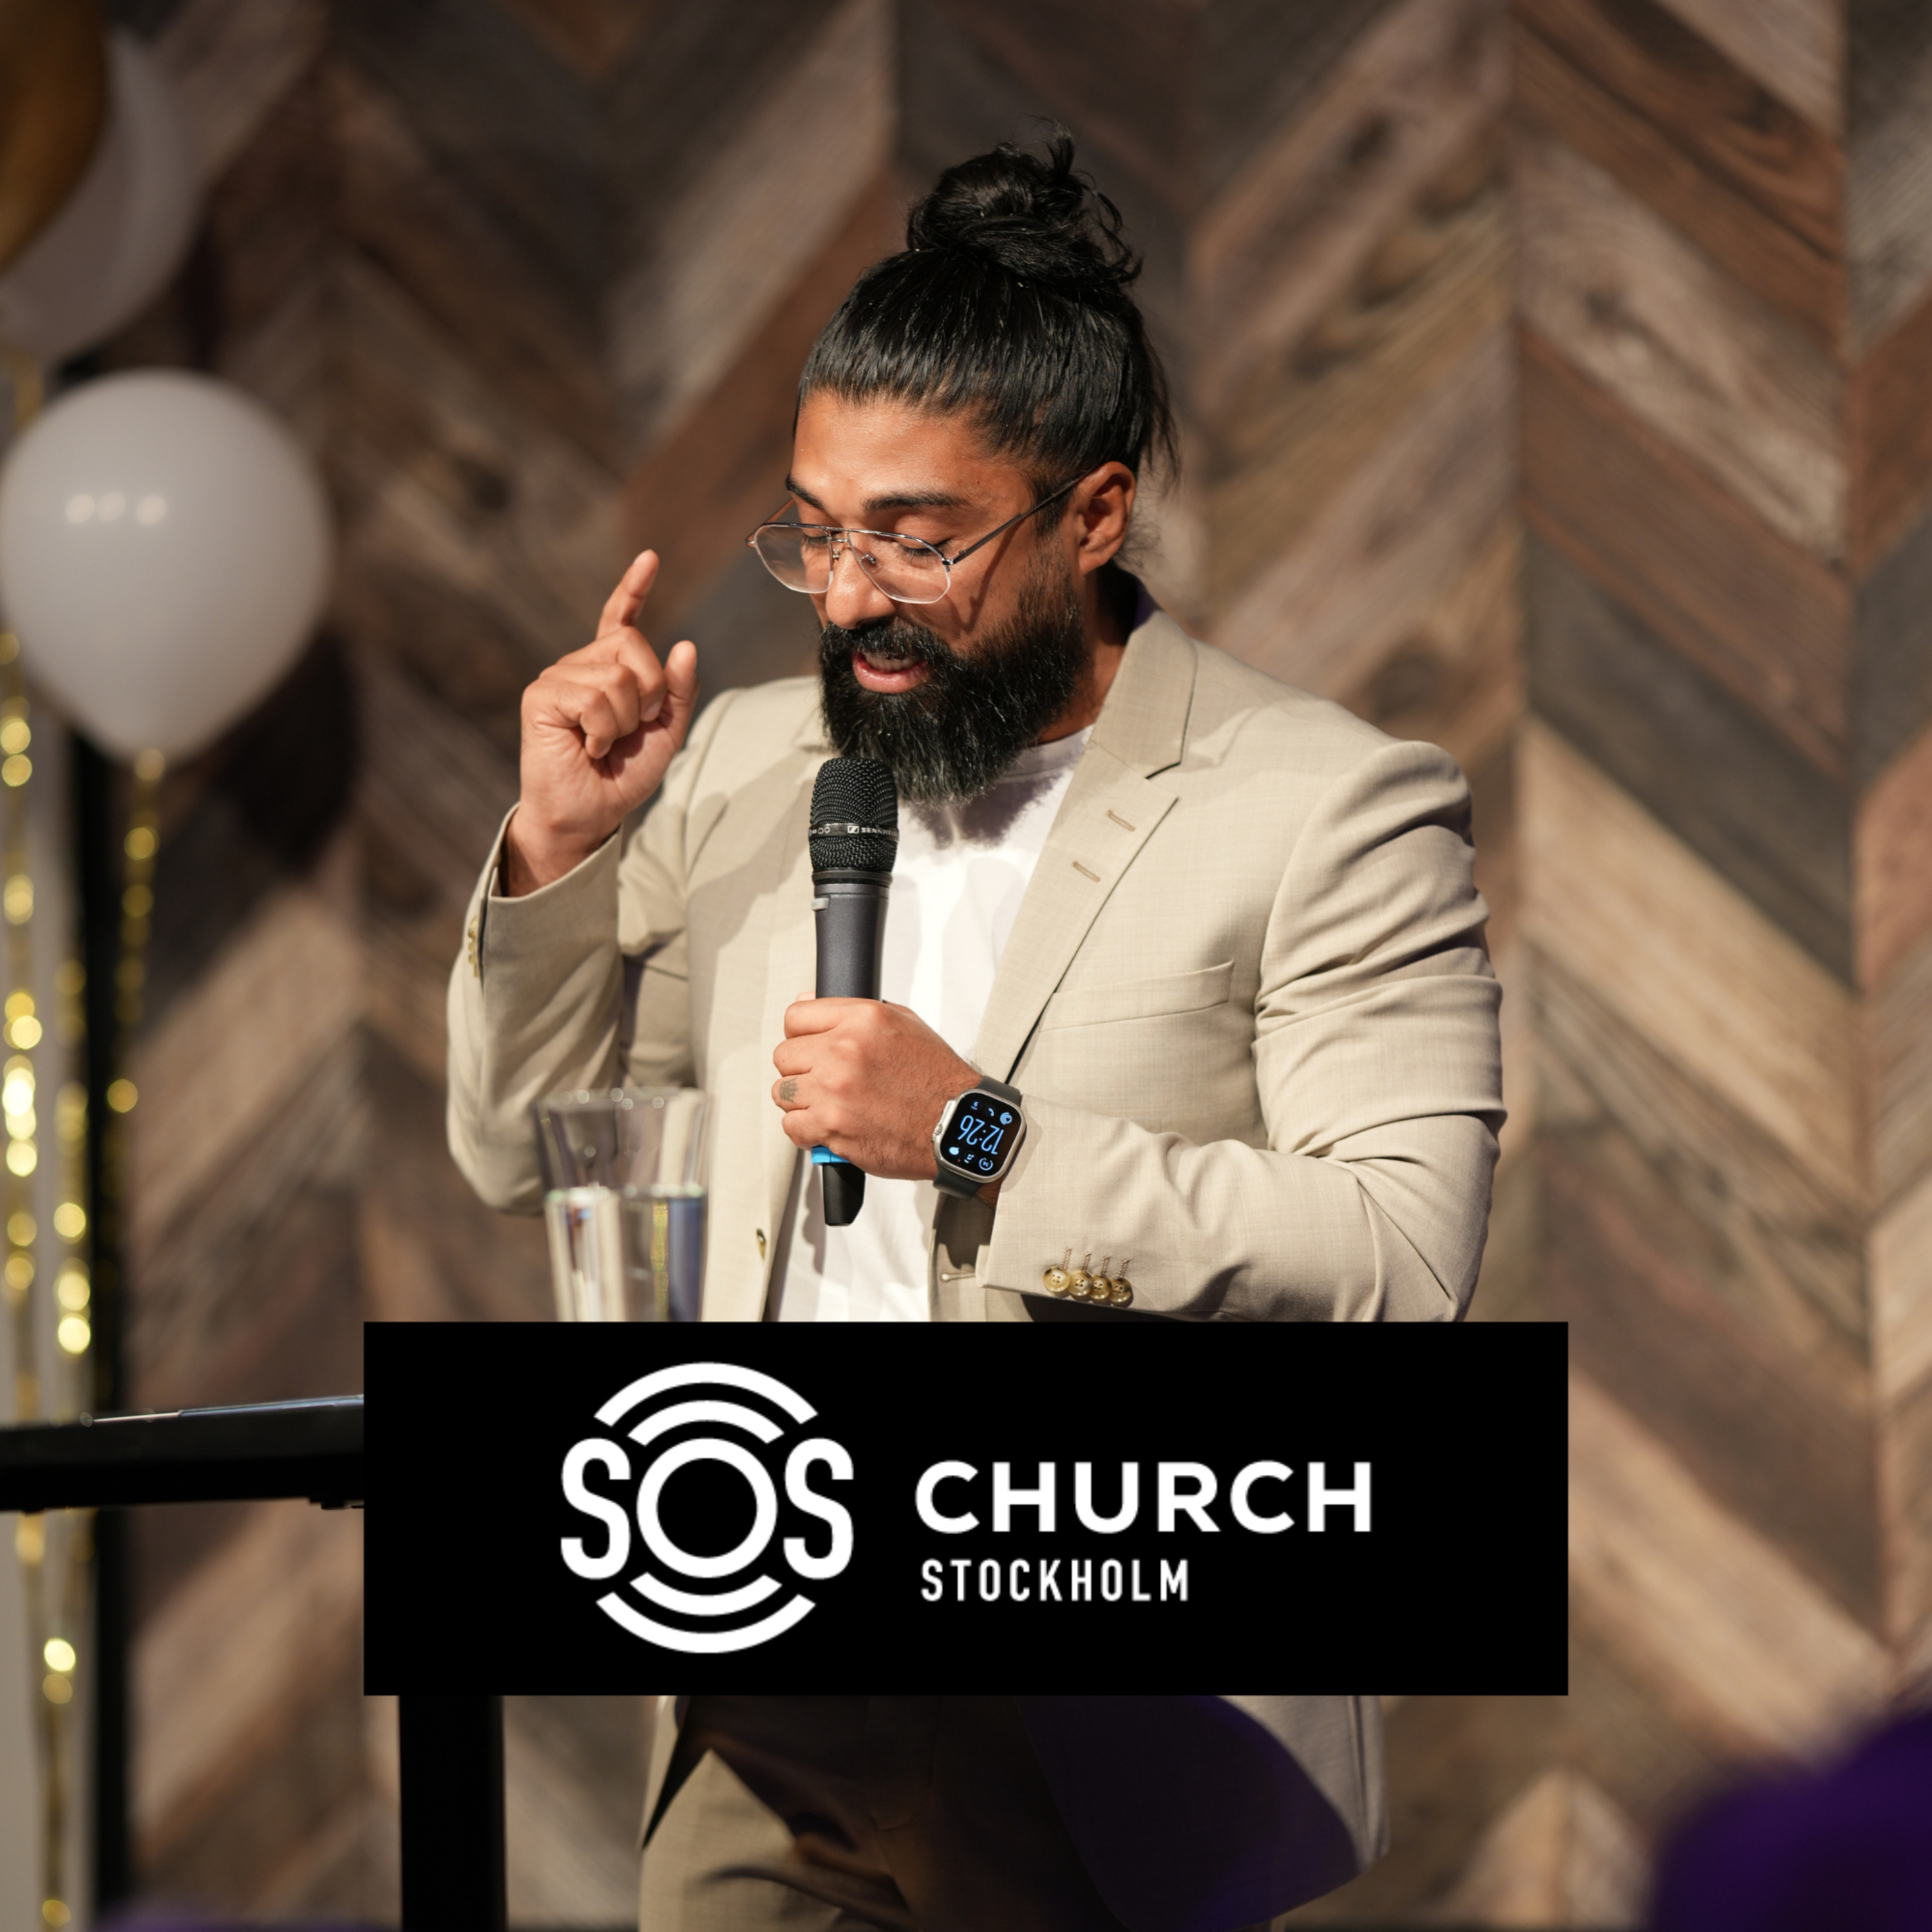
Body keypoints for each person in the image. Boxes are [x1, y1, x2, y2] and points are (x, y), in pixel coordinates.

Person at [446, 133, 1503, 1929]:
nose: (850, 594)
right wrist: (557, 852)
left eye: (918, 540)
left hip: (1104, 1703)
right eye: (817, 530)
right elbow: (528, 1156)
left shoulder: (1325, 804)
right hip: (760, 1691)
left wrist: (975, 1136)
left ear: (1093, 516)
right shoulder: (738, 768)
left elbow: (1402, 1259)